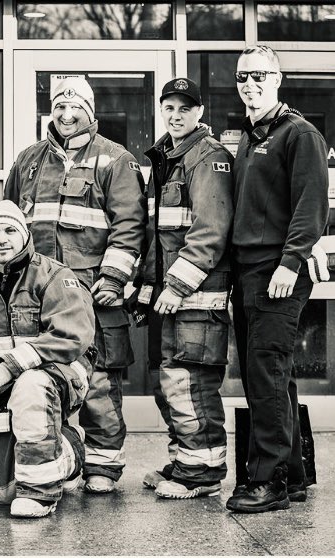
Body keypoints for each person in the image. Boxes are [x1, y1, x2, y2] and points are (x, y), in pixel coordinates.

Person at [3, 76, 145, 494]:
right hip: (38, 296)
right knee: (43, 375)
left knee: (99, 381)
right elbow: (10, 219)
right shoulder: (28, 160)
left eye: (76, 107)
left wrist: (114, 277)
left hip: (94, 292)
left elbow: (130, 226)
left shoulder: (114, 159)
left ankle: (103, 467)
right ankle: (54, 456)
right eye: (59, 106)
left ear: (91, 110)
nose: (66, 114)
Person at [225, 45, 328, 513]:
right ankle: (295, 475)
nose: (250, 84)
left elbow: (311, 207)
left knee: (265, 376)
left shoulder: (299, 134)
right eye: (243, 77)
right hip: (248, 271)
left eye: (259, 75)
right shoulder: (247, 135)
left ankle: (266, 481)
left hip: (276, 272)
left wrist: (290, 262)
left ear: (278, 77)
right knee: (272, 377)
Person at [0, 200, 95, 518]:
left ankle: (41, 495)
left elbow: (72, 335)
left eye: (9, 230)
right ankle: (65, 448)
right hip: (1, 393)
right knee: (2, 492)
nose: (1, 238)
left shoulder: (53, 275)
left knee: (30, 386)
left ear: (24, 234)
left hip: (56, 376)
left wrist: (10, 366)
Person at [136, 78, 234, 499]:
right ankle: (185, 460)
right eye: (168, 107)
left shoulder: (208, 157)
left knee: (191, 384)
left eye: (184, 108)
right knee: (170, 383)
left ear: (200, 113)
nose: (175, 115)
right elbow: (157, 236)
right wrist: (146, 291)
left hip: (196, 296)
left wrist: (175, 285)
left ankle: (204, 474)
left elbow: (211, 231)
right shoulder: (167, 157)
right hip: (170, 298)